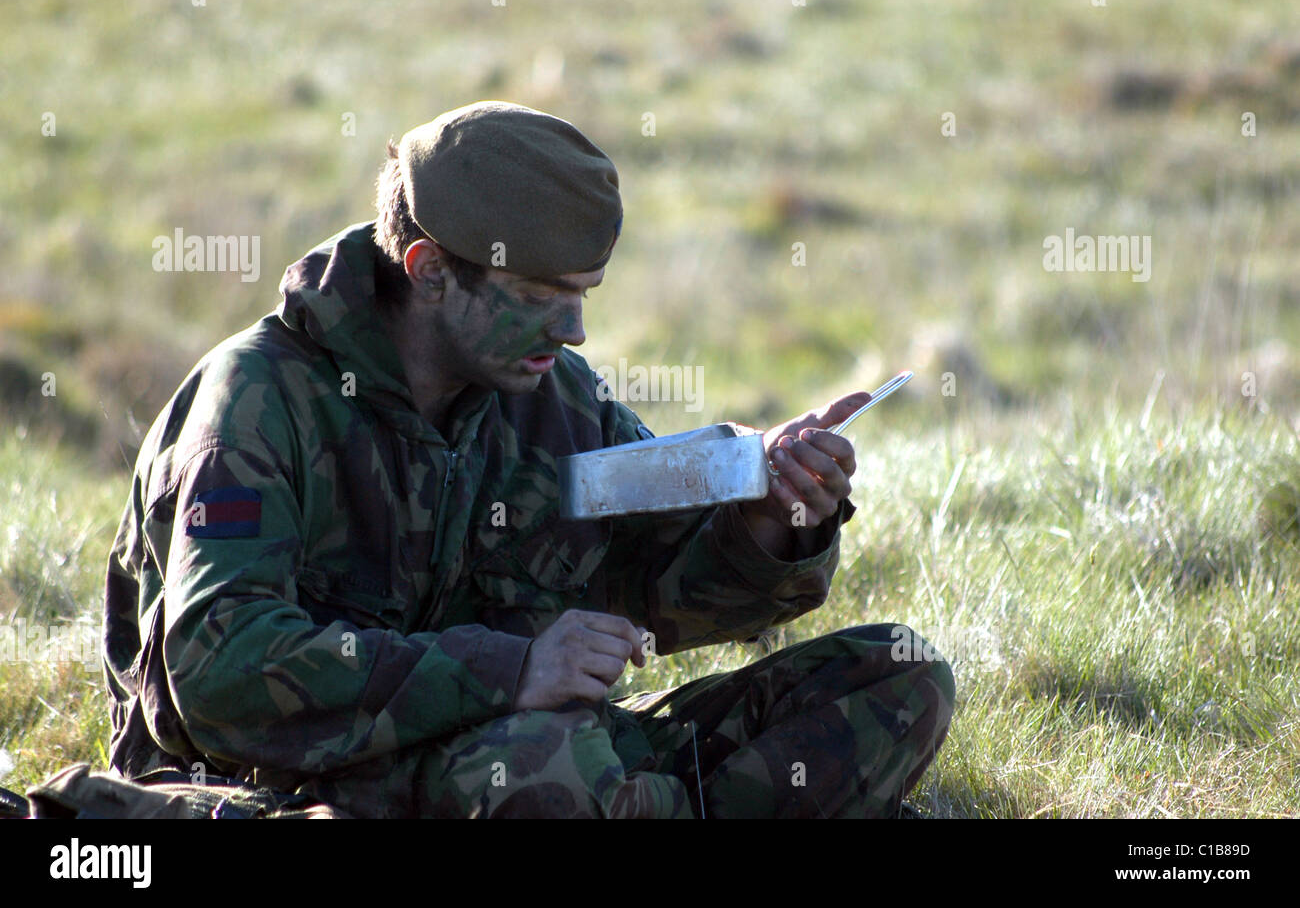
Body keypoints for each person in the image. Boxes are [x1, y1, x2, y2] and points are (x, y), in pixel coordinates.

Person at [103, 100, 954, 818]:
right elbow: (220, 669)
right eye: (542, 299)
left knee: (898, 676)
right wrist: (510, 670)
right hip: (302, 779)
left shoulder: (555, 397)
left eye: (582, 296)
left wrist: (773, 517)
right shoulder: (255, 402)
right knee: (551, 764)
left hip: (537, 746)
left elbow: (657, 590)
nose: (574, 330)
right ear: (429, 270)